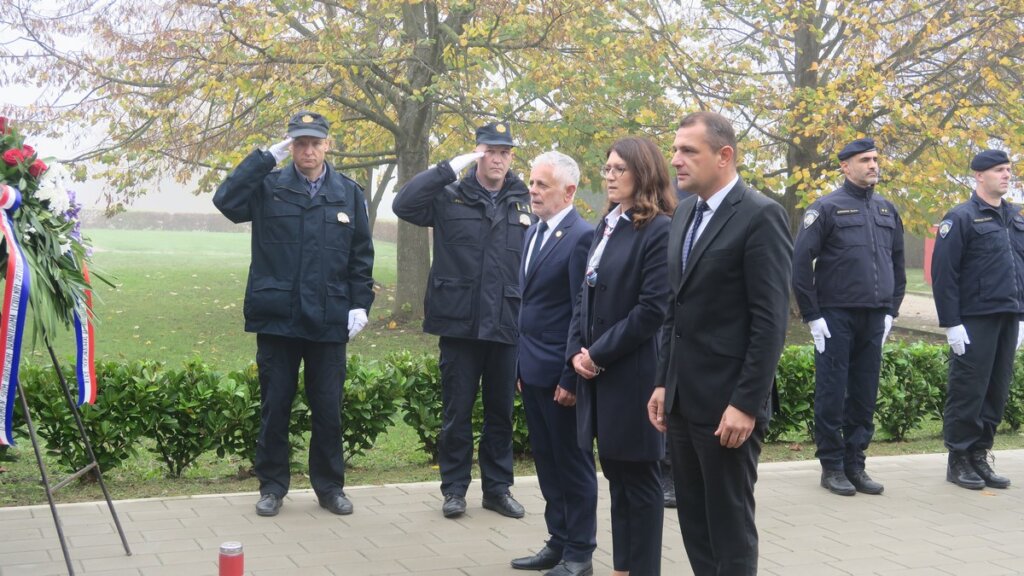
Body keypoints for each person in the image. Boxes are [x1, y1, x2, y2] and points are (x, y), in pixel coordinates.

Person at [648, 111, 791, 576]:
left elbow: (770, 323)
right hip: (684, 402)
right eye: (675, 150)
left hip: (729, 406)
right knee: (694, 520)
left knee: (728, 523)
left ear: (724, 156)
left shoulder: (761, 215)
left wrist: (746, 404)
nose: (676, 161)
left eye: (689, 151)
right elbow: (675, 307)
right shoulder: (685, 211)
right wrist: (662, 383)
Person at [213, 111, 375, 517]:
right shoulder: (268, 186)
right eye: (299, 143)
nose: (307, 150)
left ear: (327, 145)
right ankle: (272, 487)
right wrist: (265, 158)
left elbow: (360, 256)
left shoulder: (348, 193)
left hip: (327, 317)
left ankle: (329, 487)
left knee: (327, 409)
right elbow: (225, 201)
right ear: (290, 145)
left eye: (314, 142)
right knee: (275, 407)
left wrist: (360, 304)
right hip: (278, 317)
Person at [393, 121, 531, 519]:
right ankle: (454, 490)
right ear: (477, 153)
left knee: (500, 413)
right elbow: (403, 204)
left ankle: (498, 489)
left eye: (505, 152)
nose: (498, 159)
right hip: (460, 323)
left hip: (506, 322)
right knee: (457, 413)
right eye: (491, 150)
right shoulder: (449, 195)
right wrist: (444, 170)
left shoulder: (524, 200)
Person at [567, 136, 675, 576]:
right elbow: (584, 294)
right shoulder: (608, 224)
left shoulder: (660, 228)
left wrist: (598, 353)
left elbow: (652, 309)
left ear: (643, 174)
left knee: (641, 482)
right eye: (607, 168)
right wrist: (577, 349)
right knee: (616, 477)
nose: (609, 176)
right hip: (600, 373)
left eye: (618, 169)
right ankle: (622, 568)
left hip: (633, 375)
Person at [791, 137, 906, 497]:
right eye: (864, 160)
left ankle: (856, 463)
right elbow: (799, 264)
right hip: (835, 316)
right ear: (845, 166)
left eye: (875, 159)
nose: (873, 165)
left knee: (864, 392)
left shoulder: (887, 210)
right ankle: (832, 466)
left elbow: (898, 264)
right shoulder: (826, 208)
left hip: (874, 317)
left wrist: (892, 309)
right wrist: (813, 315)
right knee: (832, 390)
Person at [511, 152, 597, 576]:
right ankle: (558, 541)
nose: (533, 190)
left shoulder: (581, 236)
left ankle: (580, 553)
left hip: (562, 377)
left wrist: (570, 375)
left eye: (542, 184)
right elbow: (529, 305)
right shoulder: (534, 233)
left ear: (569, 191)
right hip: (532, 371)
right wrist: (520, 368)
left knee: (572, 463)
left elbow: (582, 313)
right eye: (532, 182)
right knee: (547, 462)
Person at [931, 149, 1022, 490]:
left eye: (1008, 170)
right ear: (979, 176)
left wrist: (1022, 316)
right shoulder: (961, 217)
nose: (1006, 175)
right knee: (968, 390)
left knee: (995, 391)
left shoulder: (1015, 218)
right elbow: (944, 274)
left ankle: (980, 455)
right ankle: (959, 459)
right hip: (974, 320)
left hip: (1007, 317)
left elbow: (1020, 270)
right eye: (999, 170)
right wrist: (952, 323)